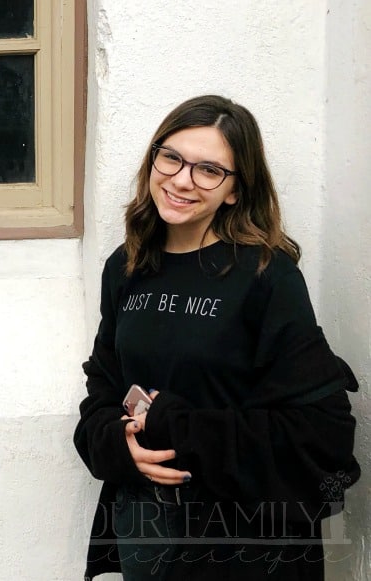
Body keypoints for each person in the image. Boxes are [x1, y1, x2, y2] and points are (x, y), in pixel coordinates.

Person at [74, 95, 360, 581]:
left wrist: (181, 427)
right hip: (147, 527)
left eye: (209, 170)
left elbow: (323, 434)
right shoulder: (127, 267)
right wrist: (115, 442)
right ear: (154, 159)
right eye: (172, 158)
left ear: (234, 190)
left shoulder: (266, 276)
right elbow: (102, 387)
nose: (182, 180)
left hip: (238, 543)